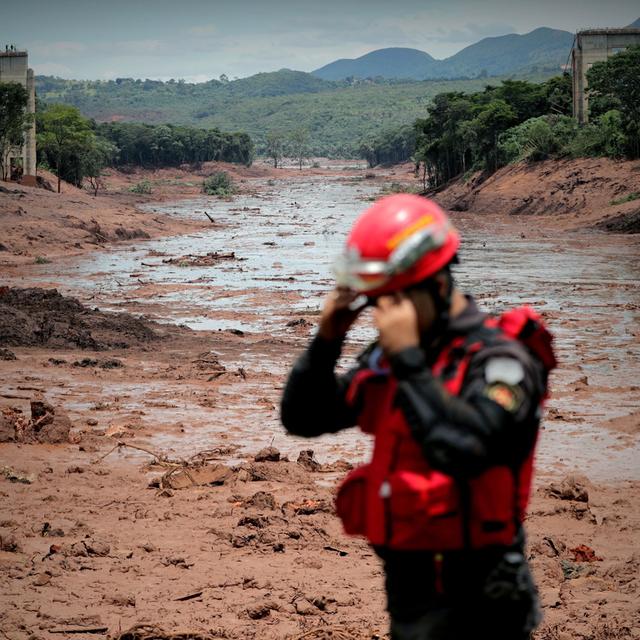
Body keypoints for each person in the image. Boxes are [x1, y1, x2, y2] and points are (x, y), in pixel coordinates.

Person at [280, 194, 556, 640]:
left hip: (483, 596)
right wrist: (327, 339)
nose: (383, 314)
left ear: (437, 283)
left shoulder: (502, 361)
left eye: (393, 298)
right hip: (410, 585)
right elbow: (304, 417)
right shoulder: (391, 358)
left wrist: (409, 360)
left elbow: (464, 450)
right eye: (376, 302)